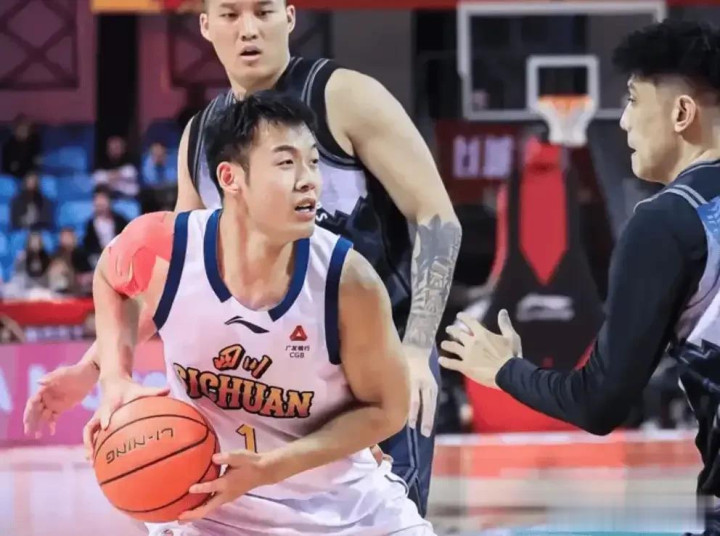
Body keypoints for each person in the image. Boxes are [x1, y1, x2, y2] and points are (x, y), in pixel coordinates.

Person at [25, 0, 460, 515]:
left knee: (380, 516)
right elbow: (173, 281)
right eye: (231, 15)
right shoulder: (200, 138)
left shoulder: (344, 97)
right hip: (274, 374)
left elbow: (436, 217)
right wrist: (91, 368)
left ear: (290, 17)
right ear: (206, 25)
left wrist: (416, 346)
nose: (248, 29)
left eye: (263, 12)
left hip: (373, 360)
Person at [84, 93, 435, 536]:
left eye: (313, 163)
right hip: (210, 510)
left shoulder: (348, 281)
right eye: (287, 163)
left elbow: (387, 409)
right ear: (230, 178)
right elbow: (110, 275)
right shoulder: (168, 248)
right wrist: (115, 377)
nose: (309, 181)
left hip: (346, 511)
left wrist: (270, 467)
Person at [438, 19, 720, 532]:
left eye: (633, 101)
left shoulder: (667, 221)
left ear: (682, 113)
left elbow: (599, 404)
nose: (623, 122)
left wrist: (504, 370)